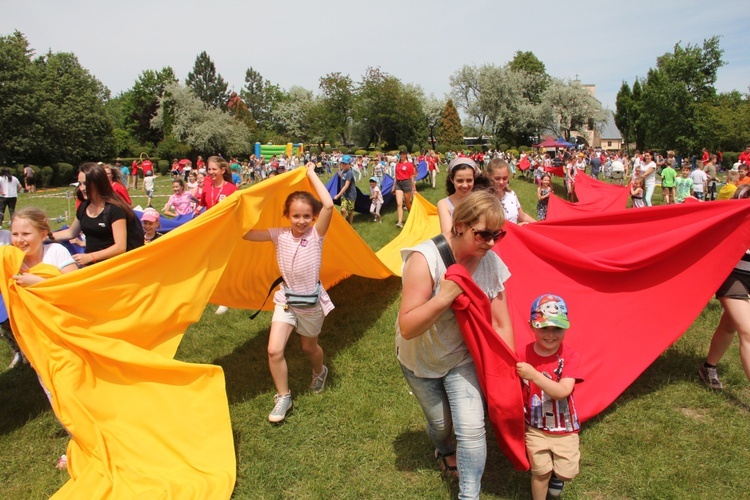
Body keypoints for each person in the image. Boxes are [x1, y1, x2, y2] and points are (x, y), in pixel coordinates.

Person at [397, 190, 514, 499]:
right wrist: (445, 295)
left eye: (497, 235)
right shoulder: (425, 259)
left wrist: (510, 370)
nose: (490, 243)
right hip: (419, 359)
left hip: (461, 358)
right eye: (484, 234)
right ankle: (443, 448)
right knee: (441, 426)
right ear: (460, 226)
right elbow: (408, 327)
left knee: (473, 431)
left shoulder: (491, 262)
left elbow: (502, 323)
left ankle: (468, 495)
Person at [243, 163, 334, 423]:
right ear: (287, 215)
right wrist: (234, 207)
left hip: (310, 304)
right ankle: (284, 396)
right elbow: (245, 233)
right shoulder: (278, 235)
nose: (302, 221)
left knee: (309, 347)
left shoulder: (317, 235)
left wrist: (311, 173)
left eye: (307, 216)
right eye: (296, 216)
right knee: (274, 351)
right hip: (285, 300)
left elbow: (328, 205)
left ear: (313, 217)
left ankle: (320, 370)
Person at [517, 294, 582, 500]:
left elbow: (563, 391)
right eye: (544, 328)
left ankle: (558, 477)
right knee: (539, 472)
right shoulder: (523, 354)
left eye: (557, 328)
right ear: (531, 326)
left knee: (568, 472)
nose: (551, 334)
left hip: (565, 429)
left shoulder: (570, 356)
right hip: (535, 427)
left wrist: (534, 375)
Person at [4, 208, 78, 367]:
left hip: (66, 328)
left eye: (26, 234)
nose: (19, 240)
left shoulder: (55, 251)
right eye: (15, 234)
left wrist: (38, 283)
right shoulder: (10, 261)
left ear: (43, 235)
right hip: (36, 334)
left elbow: (75, 287)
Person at [699, 185, 750, 390]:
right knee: (748, 332)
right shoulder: (741, 202)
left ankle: (708, 367)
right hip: (733, 277)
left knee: (729, 326)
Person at [51, 163, 143, 266]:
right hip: (91, 266)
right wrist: (44, 236)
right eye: (80, 184)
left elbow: (120, 247)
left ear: (98, 183)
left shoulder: (115, 210)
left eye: (86, 184)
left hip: (112, 268)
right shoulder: (84, 206)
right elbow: (70, 233)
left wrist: (91, 257)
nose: (82, 188)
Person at [485, 158, 536, 225]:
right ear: (489, 176)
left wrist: (541, 225)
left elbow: (522, 216)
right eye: (497, 178)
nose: (501, 182)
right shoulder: (483, 199)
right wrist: (516, 227)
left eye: (505, 178)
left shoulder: (511, 194)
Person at [437, 157, 479, 233]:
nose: (465, 185)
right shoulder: (444, 204)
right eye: (460, 181)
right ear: (452, 180)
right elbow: (448, 235)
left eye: (469, 180)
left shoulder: (481, 201)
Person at [393, 150, 416, 228]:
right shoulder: (397, 164)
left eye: (403, 154)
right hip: (398, 184)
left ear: (406, 155)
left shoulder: (409, 165)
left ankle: (411, 216)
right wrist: (393, 187)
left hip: (407, 183)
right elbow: (396, 176)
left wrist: (414, 188)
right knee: (399, 203)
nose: (402, 155)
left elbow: (411, 177)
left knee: (407, 203)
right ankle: (400, 222)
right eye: (401, 154)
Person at [332, 155, 356, 225]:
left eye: (345, 164)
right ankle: (344, 225)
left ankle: (350, 226)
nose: (343, 165)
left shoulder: (349, 173)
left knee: (350, 212)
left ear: (349, 165)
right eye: (342, 163)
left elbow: (346, 186)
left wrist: (338, 195)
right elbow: (342, 176)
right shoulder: (343, 171)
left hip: (351, 195)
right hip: (344, 195)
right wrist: (339, 175)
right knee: (343, 210)